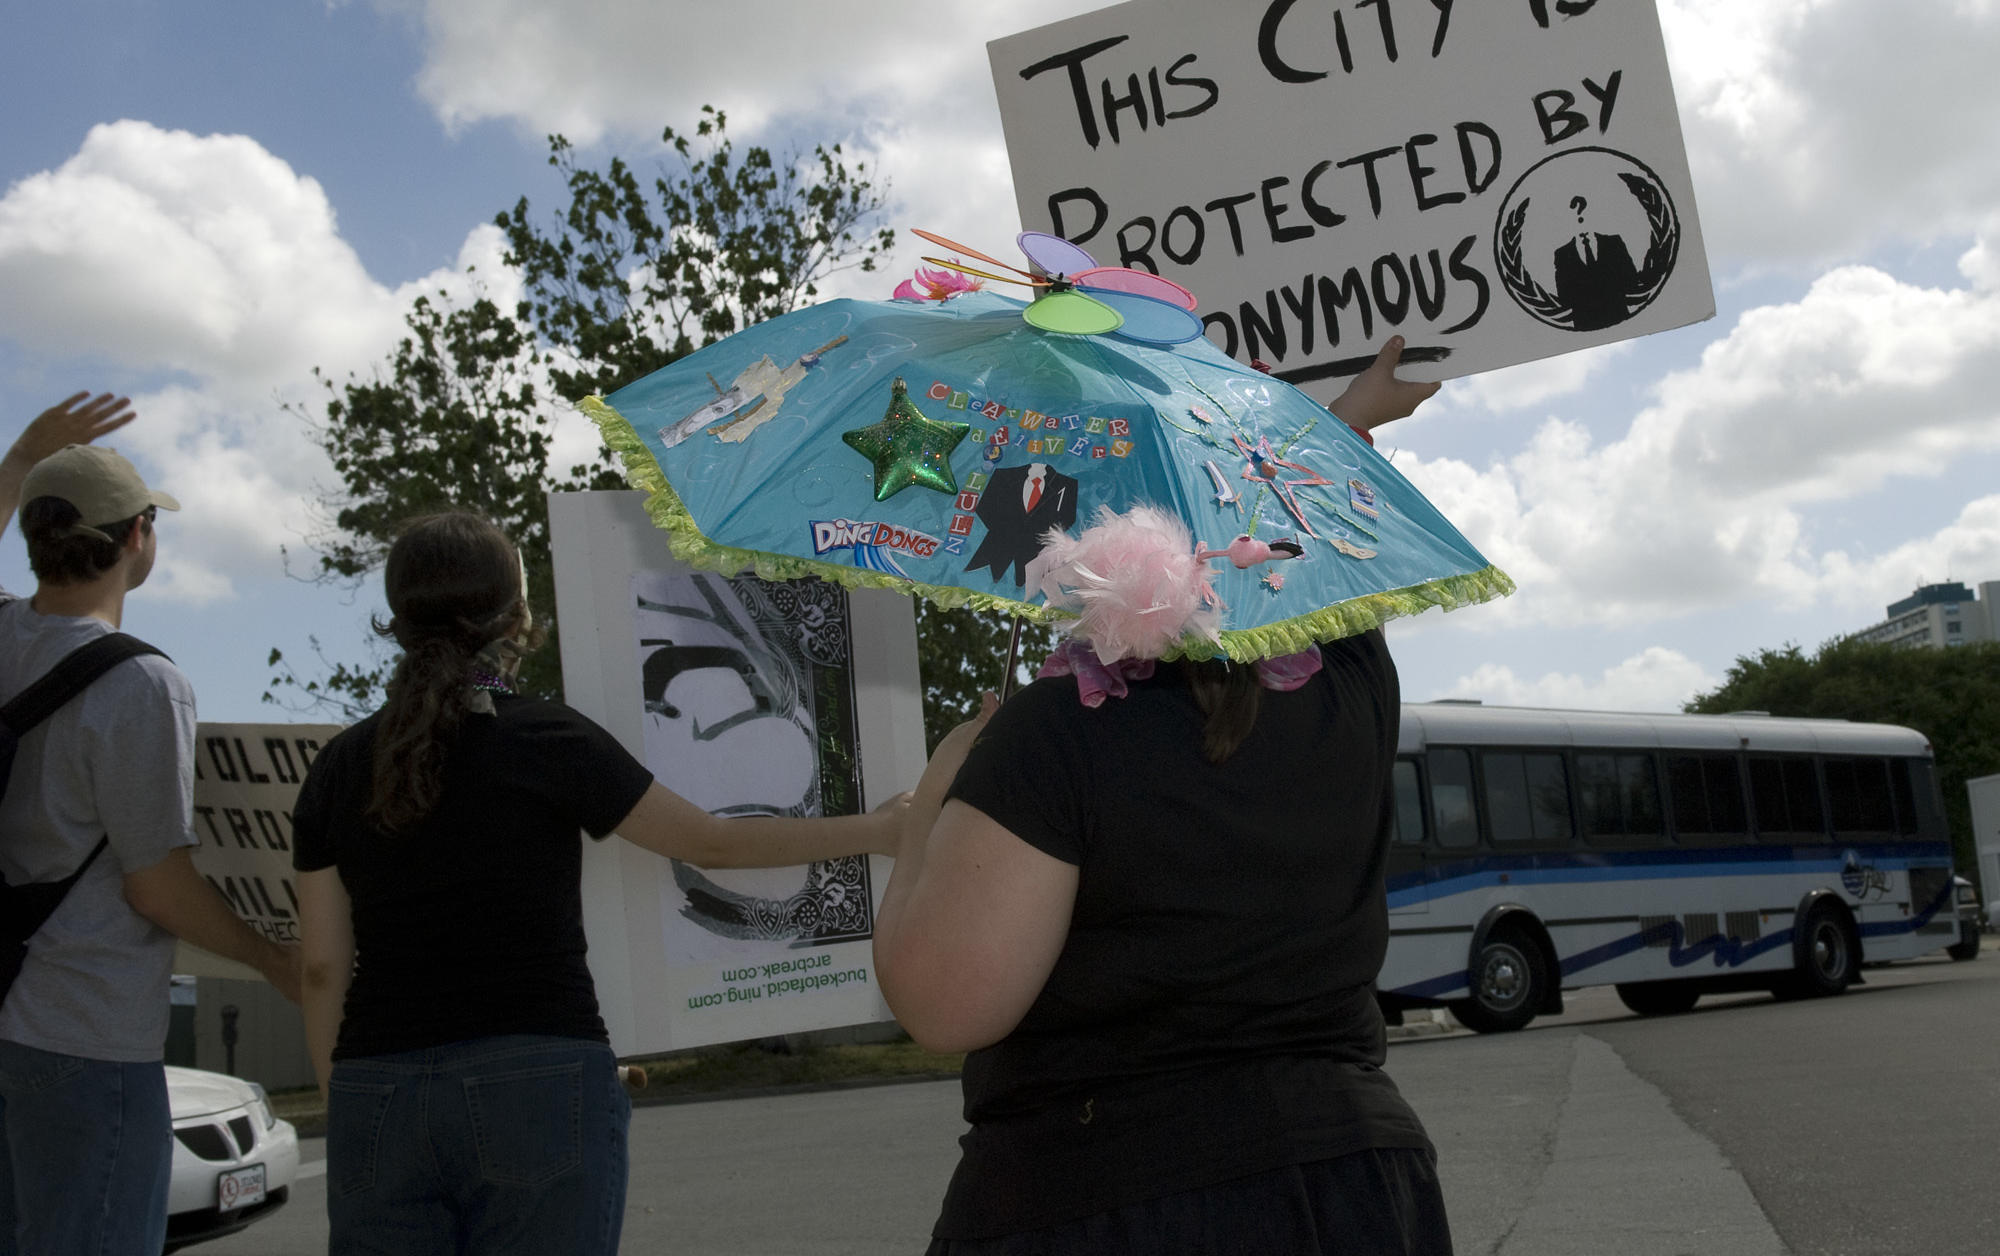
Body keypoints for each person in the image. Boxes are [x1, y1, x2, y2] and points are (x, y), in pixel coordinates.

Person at [874, 338, 1455, 1255]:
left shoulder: (1052, 735)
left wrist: (934, 803)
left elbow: (947, 1007)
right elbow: (1309, 542)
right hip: (1358, 1182)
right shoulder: (1352, 676)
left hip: (1106, 1191)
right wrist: (1346, 418)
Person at [292, 508, 908, 1256]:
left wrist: (348, 1103)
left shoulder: (336, 767)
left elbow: (320, 965)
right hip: (540, 1078)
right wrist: (877, 830)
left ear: (399, 619)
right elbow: (709, 843)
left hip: (374, 1088)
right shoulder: (547, 737)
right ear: (516, 618)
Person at [0, 395, 303, 1256]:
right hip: (87, 1037)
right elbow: (158, 887)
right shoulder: (143, 686)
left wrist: (21, 459)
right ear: (138, 537)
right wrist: (273, 959)